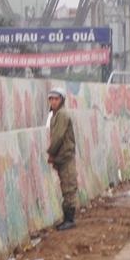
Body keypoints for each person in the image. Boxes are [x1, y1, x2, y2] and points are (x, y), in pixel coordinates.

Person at [47, 87, 77, 231]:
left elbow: (58, 136)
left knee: (69, 187)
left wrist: (51, 153)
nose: (53, 101)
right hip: (62, 156)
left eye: (56, 99)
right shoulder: (56, 115)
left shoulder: (62, 115)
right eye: (51, 99)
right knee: (65, 186)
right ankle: (67, 219)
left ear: (62, 100)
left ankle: (70, 220)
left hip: (65, 156)